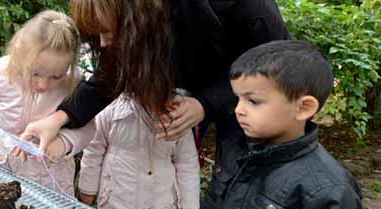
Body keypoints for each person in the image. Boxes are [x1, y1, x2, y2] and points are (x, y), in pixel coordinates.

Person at [15, 0, 290, 204]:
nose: (104, 43)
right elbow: (111, 74)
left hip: (252, 90)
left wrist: (205, 103)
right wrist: (59, 117)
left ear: (140, 15)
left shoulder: (239, 8)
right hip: (192, 86)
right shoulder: (137, 29)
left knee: (238, 177)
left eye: (111, 32)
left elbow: (273, 64)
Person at [210, 40, 362, 208]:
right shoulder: (235, 150)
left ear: (303, 108)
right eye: (238, 98)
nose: (239, 110)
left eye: (253, 101)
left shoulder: (329, 189)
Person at [0, 10, 94, 195]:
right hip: (3, 172)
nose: (43, 84)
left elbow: (89, 127)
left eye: (56, 76)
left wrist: (65, 142)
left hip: (52, 180)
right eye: (35, 73)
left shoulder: (75, 81)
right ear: (20, 52)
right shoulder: (0, 72)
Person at [73, 93, 200, 209]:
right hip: (116, 200)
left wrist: (190, 204)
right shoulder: (111, 107)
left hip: (161, 200)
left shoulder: (176, 114)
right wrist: (87, 190)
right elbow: (94, 150)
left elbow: (186, 163)